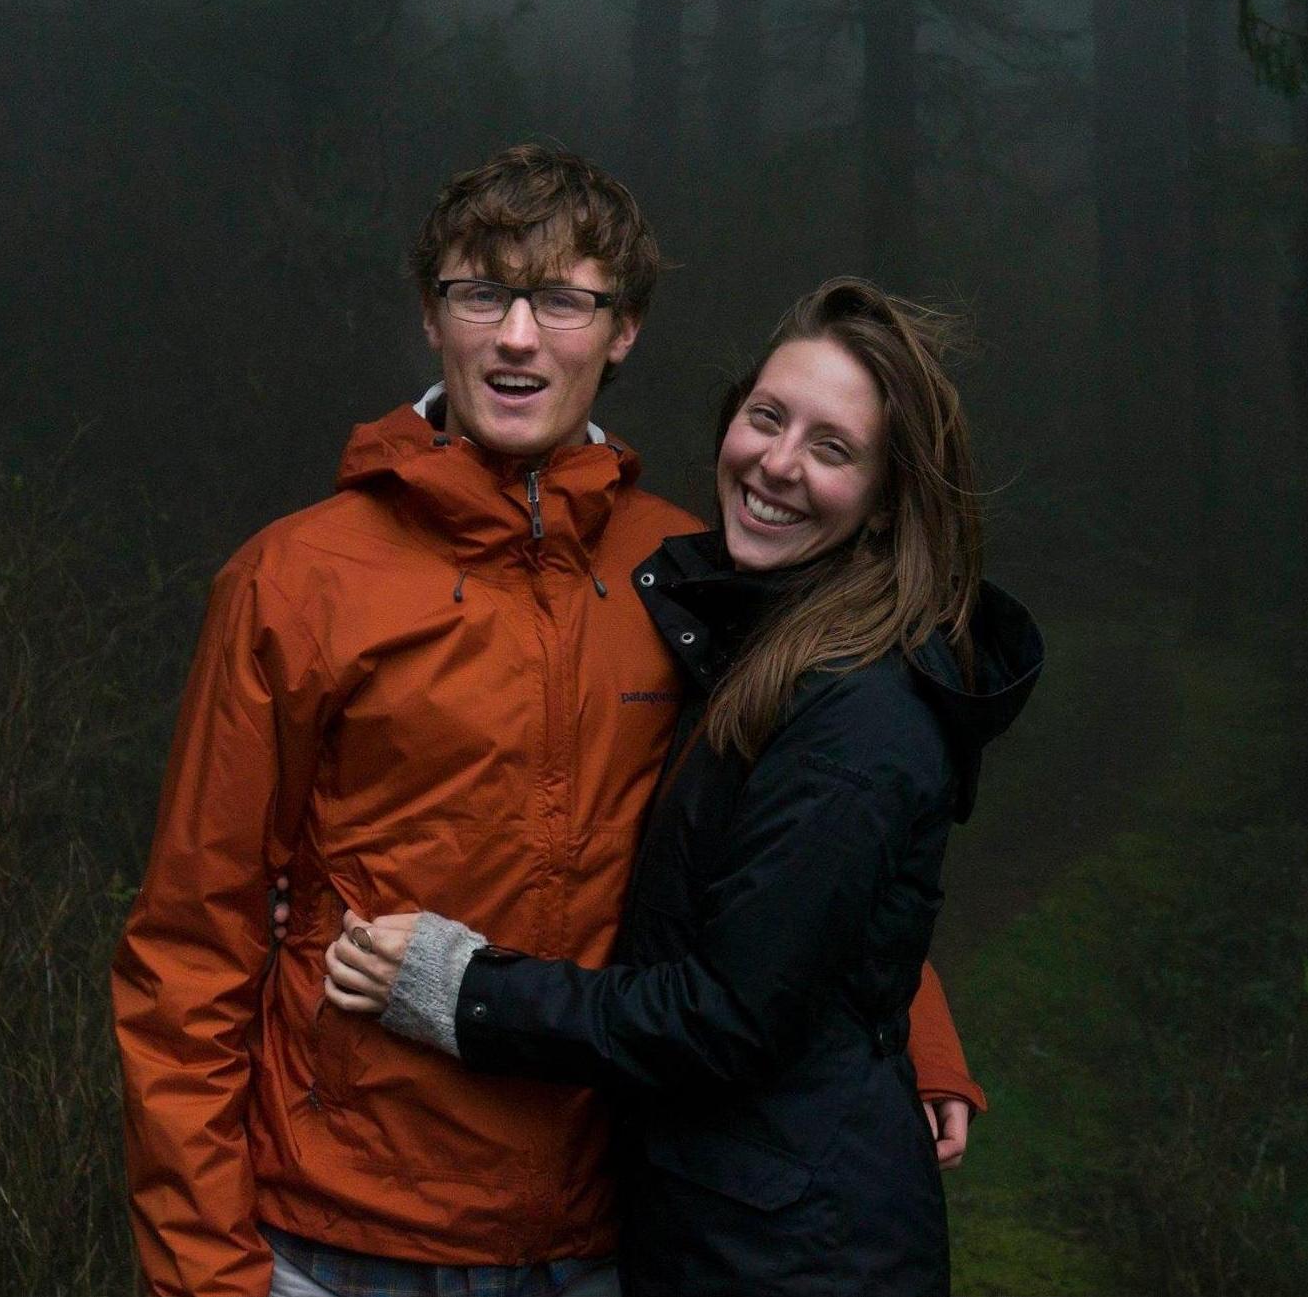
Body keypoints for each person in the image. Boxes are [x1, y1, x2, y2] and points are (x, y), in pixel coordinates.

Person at [111, 147, 984, 1297]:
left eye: (563, 299)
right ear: (432, 316)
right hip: (343, 1237)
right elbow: (191, 948)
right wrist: (202, 1273)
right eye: (483, 292)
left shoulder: (685, 572)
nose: (518, 337)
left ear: (620, 333)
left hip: (603, 1231)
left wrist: (914, 1029)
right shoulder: (294, 580)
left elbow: (796, 835)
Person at [322, 277, 1042, 1296]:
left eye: (830, 449)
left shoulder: (856, 712)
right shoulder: (761, 636)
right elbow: (803, 917)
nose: (776, 464)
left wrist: (464, 987)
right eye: (766, 416)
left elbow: (729, 1011)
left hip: (791, 1252)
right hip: (730, 1219)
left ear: (885, 505)